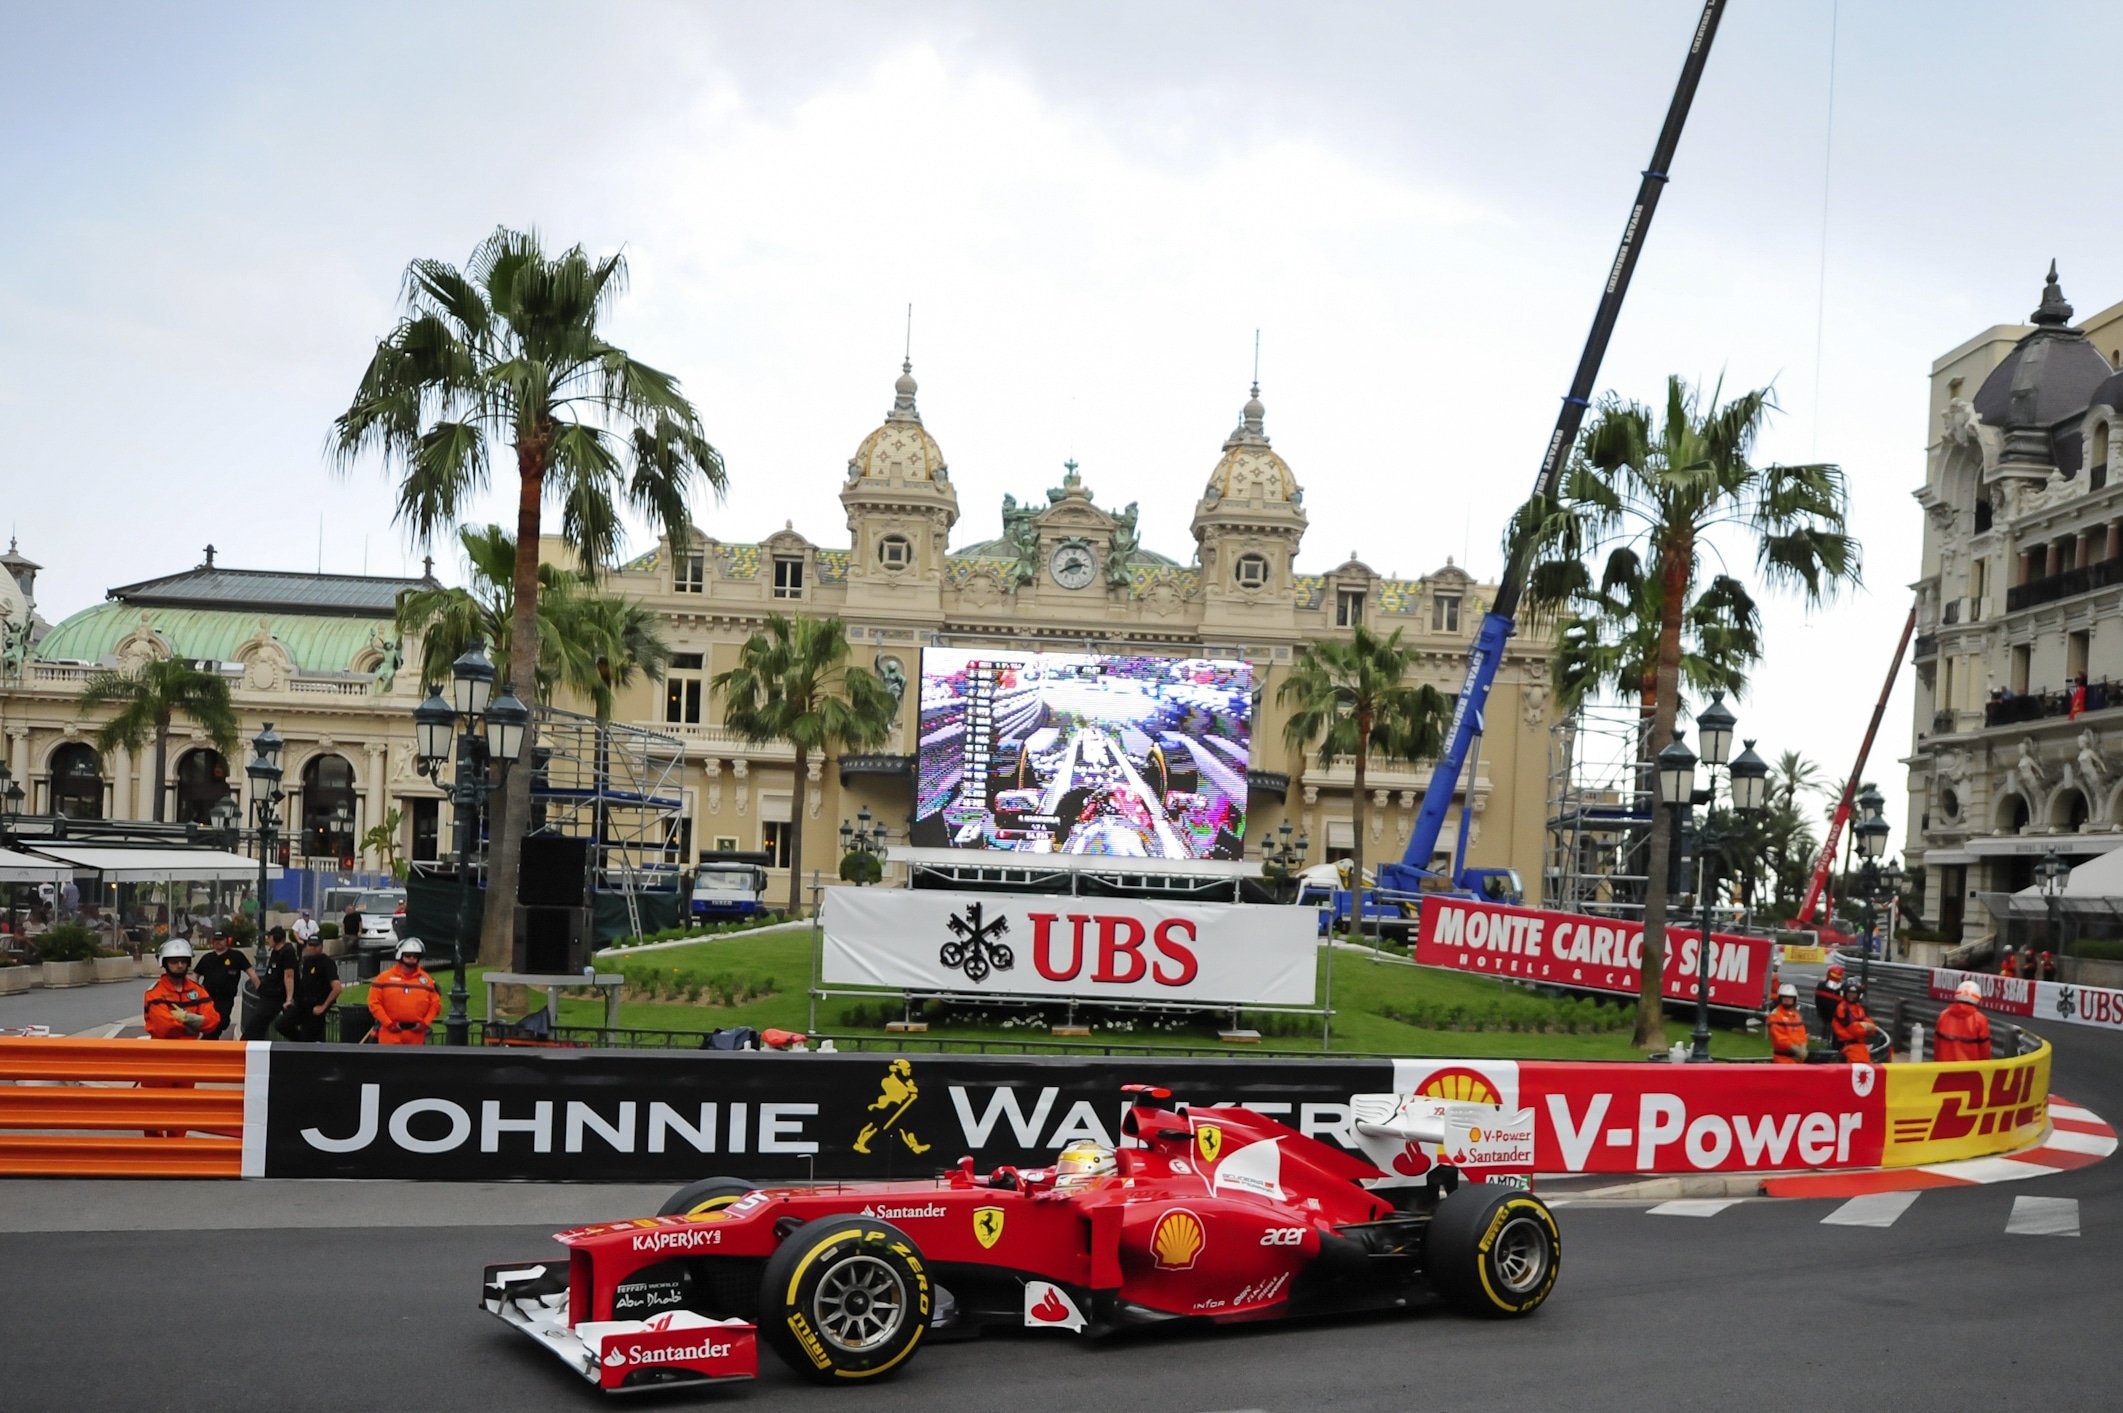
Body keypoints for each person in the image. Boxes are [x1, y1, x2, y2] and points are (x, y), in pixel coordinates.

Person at [366, 938, 441, 1046]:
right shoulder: (384, 978)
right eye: (408, 955)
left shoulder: (427, 980)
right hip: (390, 1033)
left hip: (416, 1034)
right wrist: (389, 1024)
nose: (411, 958)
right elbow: (374, 1003)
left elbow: (435, 1005)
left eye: (415, 956)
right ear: (400, 955)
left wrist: (424, 1024)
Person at [143, 939, 221, 1041]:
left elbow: (213, 1021)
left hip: (190, 1050)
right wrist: (196, 1025)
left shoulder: (197, 990)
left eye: (183, 961)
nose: (179, 965)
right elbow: (166, 1027)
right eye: (174, 962)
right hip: (162, 1050)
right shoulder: (155, 992)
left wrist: (187, 1017)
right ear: (165, 963)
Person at [189, 928, 255, 1041]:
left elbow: (251, 973)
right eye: (216, 940)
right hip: (208, 997)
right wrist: (196, 990)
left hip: (226, 998)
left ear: (227, 941)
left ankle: (207, 1043)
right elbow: (195, 975)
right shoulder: (207, 958)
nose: (218, 942)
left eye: (221, 940)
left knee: (222, 1021)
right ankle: (207, 1044)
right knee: (212, 1023)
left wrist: (259, 989)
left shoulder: (237, 956)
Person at [276, 933, 343, 1043]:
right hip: (301, 1004)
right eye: (310, 945)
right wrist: (291, 1000)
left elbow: (337, 988)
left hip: (315, 1008)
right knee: (282, 1025)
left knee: (310, 1039)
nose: (313, 948)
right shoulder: (306, 961)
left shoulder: (327, 963)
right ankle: (301, 1043)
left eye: (316, 945)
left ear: (321, 946)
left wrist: (323, 1006)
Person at [243, 925, 299, 1041]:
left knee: (258, 1022)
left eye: (270, 937)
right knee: (257, 1025)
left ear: (277, 938)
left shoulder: (287, 952)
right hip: (269, 994)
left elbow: (289, 976)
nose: (268, 940)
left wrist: (289, 999)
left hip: (278, 996)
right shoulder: (275, 952)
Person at [1933, 979, 1993, 1062]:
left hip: (1944, 1070)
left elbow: (1937, 1046)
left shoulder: (1943, 1016)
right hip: (1970, 1071)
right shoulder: (1980, 1020)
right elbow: (1985, 1051)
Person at [1832, 978, 1881, 1064]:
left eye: (1854, 993)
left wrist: (1864, 1027)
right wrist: (1864, 1027)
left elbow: (1873, 1028)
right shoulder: (1842, 1007)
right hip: (1846, 1047)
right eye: (1849, 992)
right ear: (1844, 993)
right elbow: (1853, 1029)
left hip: (1860, 1048)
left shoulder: (1859, 1008)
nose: (1852, 995)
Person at [1768, 983, 1810, 1064]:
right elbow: (1780, 1038)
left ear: (1795, 999)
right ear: (1780, 998)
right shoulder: (1775, 1015)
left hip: (1797, 1059)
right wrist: (1796, 1049)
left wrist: (1803, 1047)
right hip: (1783, 1060)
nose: (1787, 999)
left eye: (1790, 997)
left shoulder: (1796, 1015)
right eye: (1784, 997)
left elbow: (1802, 1033)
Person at [1813, 965, 1844, 1040]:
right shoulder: (1822, 986)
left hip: (1836, 1016)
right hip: (1824, 1013)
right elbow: (1818, 1000)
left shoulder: (1842, 988)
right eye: (1834, 974)